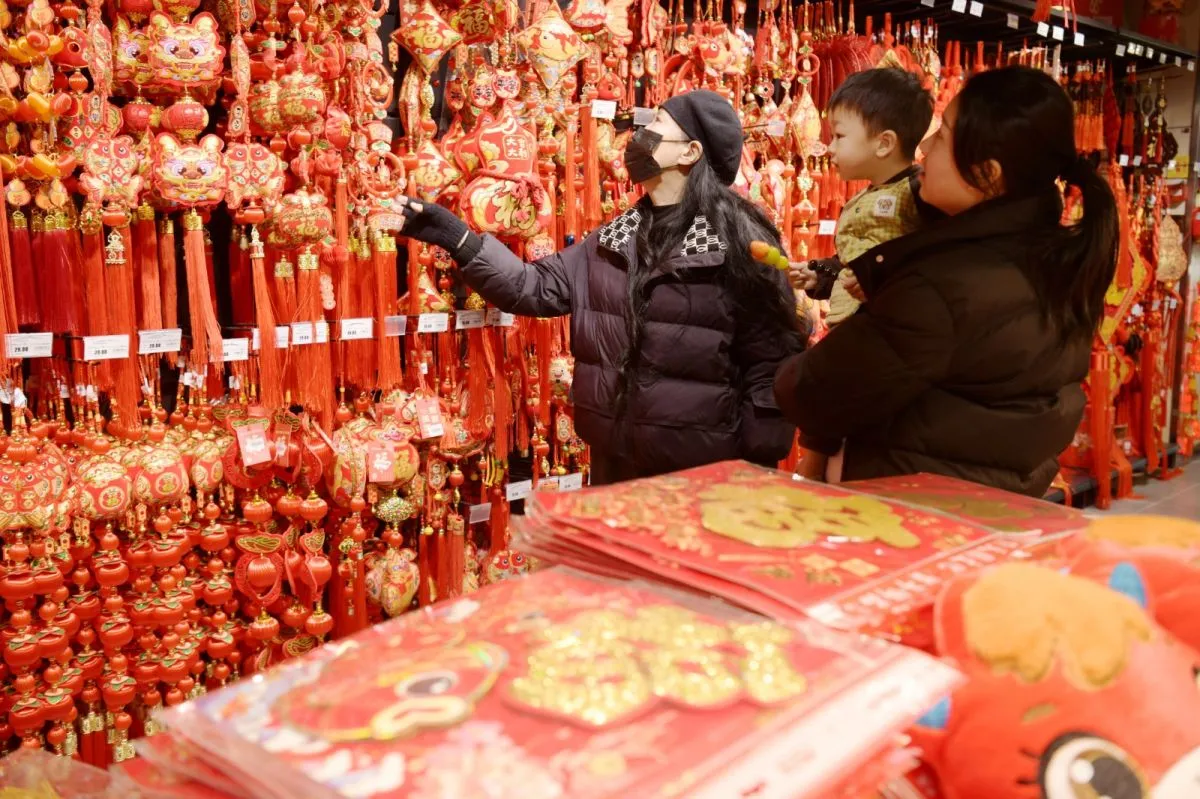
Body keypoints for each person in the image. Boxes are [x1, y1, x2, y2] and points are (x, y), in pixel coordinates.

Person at [399, 90, 802, 485]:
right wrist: (457, 238)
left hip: (706, 476)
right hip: (616, 466)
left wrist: (755, 463)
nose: (639, 136)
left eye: (657, 124)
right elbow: (531, 286)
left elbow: (772, 361)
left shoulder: (738, 244)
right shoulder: (613, 241)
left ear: (690, 152)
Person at [773, 66, 1118, 497]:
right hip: (983, 504)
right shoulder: (1048, 258)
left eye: (942, 135)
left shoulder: (945, 286)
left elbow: (814, 391)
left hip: (912, 506)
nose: (923, 148)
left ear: (987, 174)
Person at [787, 67, 936, 483]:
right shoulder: (867, 196)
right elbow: (851, 262)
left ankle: (814, 466)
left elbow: (930, 260)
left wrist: (882, 279)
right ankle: (815, 464)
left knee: (831, 393)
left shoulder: (918, 194)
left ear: (884, 143)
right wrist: (820, 276)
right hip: (852, 329)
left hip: (886, 334)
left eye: (839, 136)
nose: (829, 147)